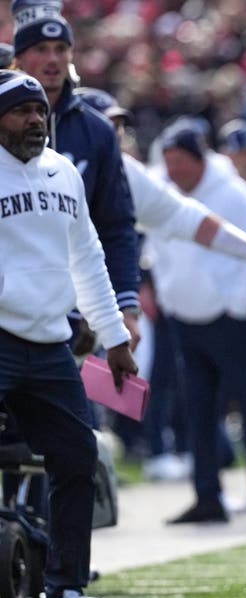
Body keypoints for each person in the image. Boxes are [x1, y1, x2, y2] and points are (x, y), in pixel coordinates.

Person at [0, 70, 137, 598]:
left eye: (39, 109)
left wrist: (116, 338)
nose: (36, 118)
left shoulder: (63, 173)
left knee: (78, 457)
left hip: (50, 340)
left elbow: (89, 259)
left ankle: (62, 597)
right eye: (20, 110)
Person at [151, 119, 246, 526]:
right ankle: (207, 496)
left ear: (199, 160)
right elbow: (159, 251)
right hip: (186, 318)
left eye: (180, 161)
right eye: (169, 162)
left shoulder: (234, 194)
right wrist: (169, 297)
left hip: (234, 320)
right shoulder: (165, 196)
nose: (174, 170)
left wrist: (235, 304)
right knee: (197, 411)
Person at [10, 0, 142, 347]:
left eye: (61, 49)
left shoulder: (97, 132)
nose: (52, 59)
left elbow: (115, 224)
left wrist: (125, 306)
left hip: (80, 313)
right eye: (40, 49)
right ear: (19, 57)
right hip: (9, 314)